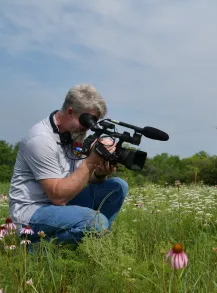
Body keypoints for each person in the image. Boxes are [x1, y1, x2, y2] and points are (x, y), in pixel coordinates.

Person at [9, 84, 129, 244]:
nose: (89, 128)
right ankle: (37, 248)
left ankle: (92, 243)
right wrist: (91, 161)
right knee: (96, 222)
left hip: (62, 203)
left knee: (118, 186)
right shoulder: (40, 139)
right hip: (33, 212)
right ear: (70, 112)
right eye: (87, 122)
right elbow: (58, 197)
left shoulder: (73, 134)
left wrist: (99, 173)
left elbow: (77, 180)